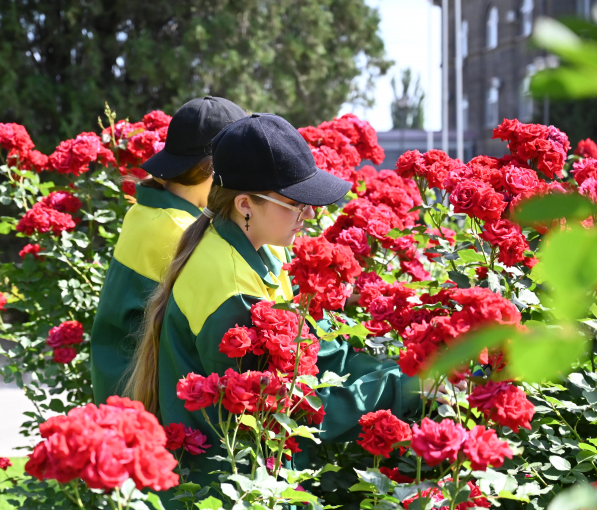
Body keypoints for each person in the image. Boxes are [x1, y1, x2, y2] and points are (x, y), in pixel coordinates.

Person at [127, 113, 420, 487]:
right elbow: (290, 412)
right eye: (296, 202)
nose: (309, 213)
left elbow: (317, 352)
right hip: (227, 493)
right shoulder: (232, 292)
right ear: (245, 204)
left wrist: (407, 369)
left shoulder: (257, 248)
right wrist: (407, 387)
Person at [91, 96, 246, 405]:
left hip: (115, 384)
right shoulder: (182, 231)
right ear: (214, 168)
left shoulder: (145, 209)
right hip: (145, 395)